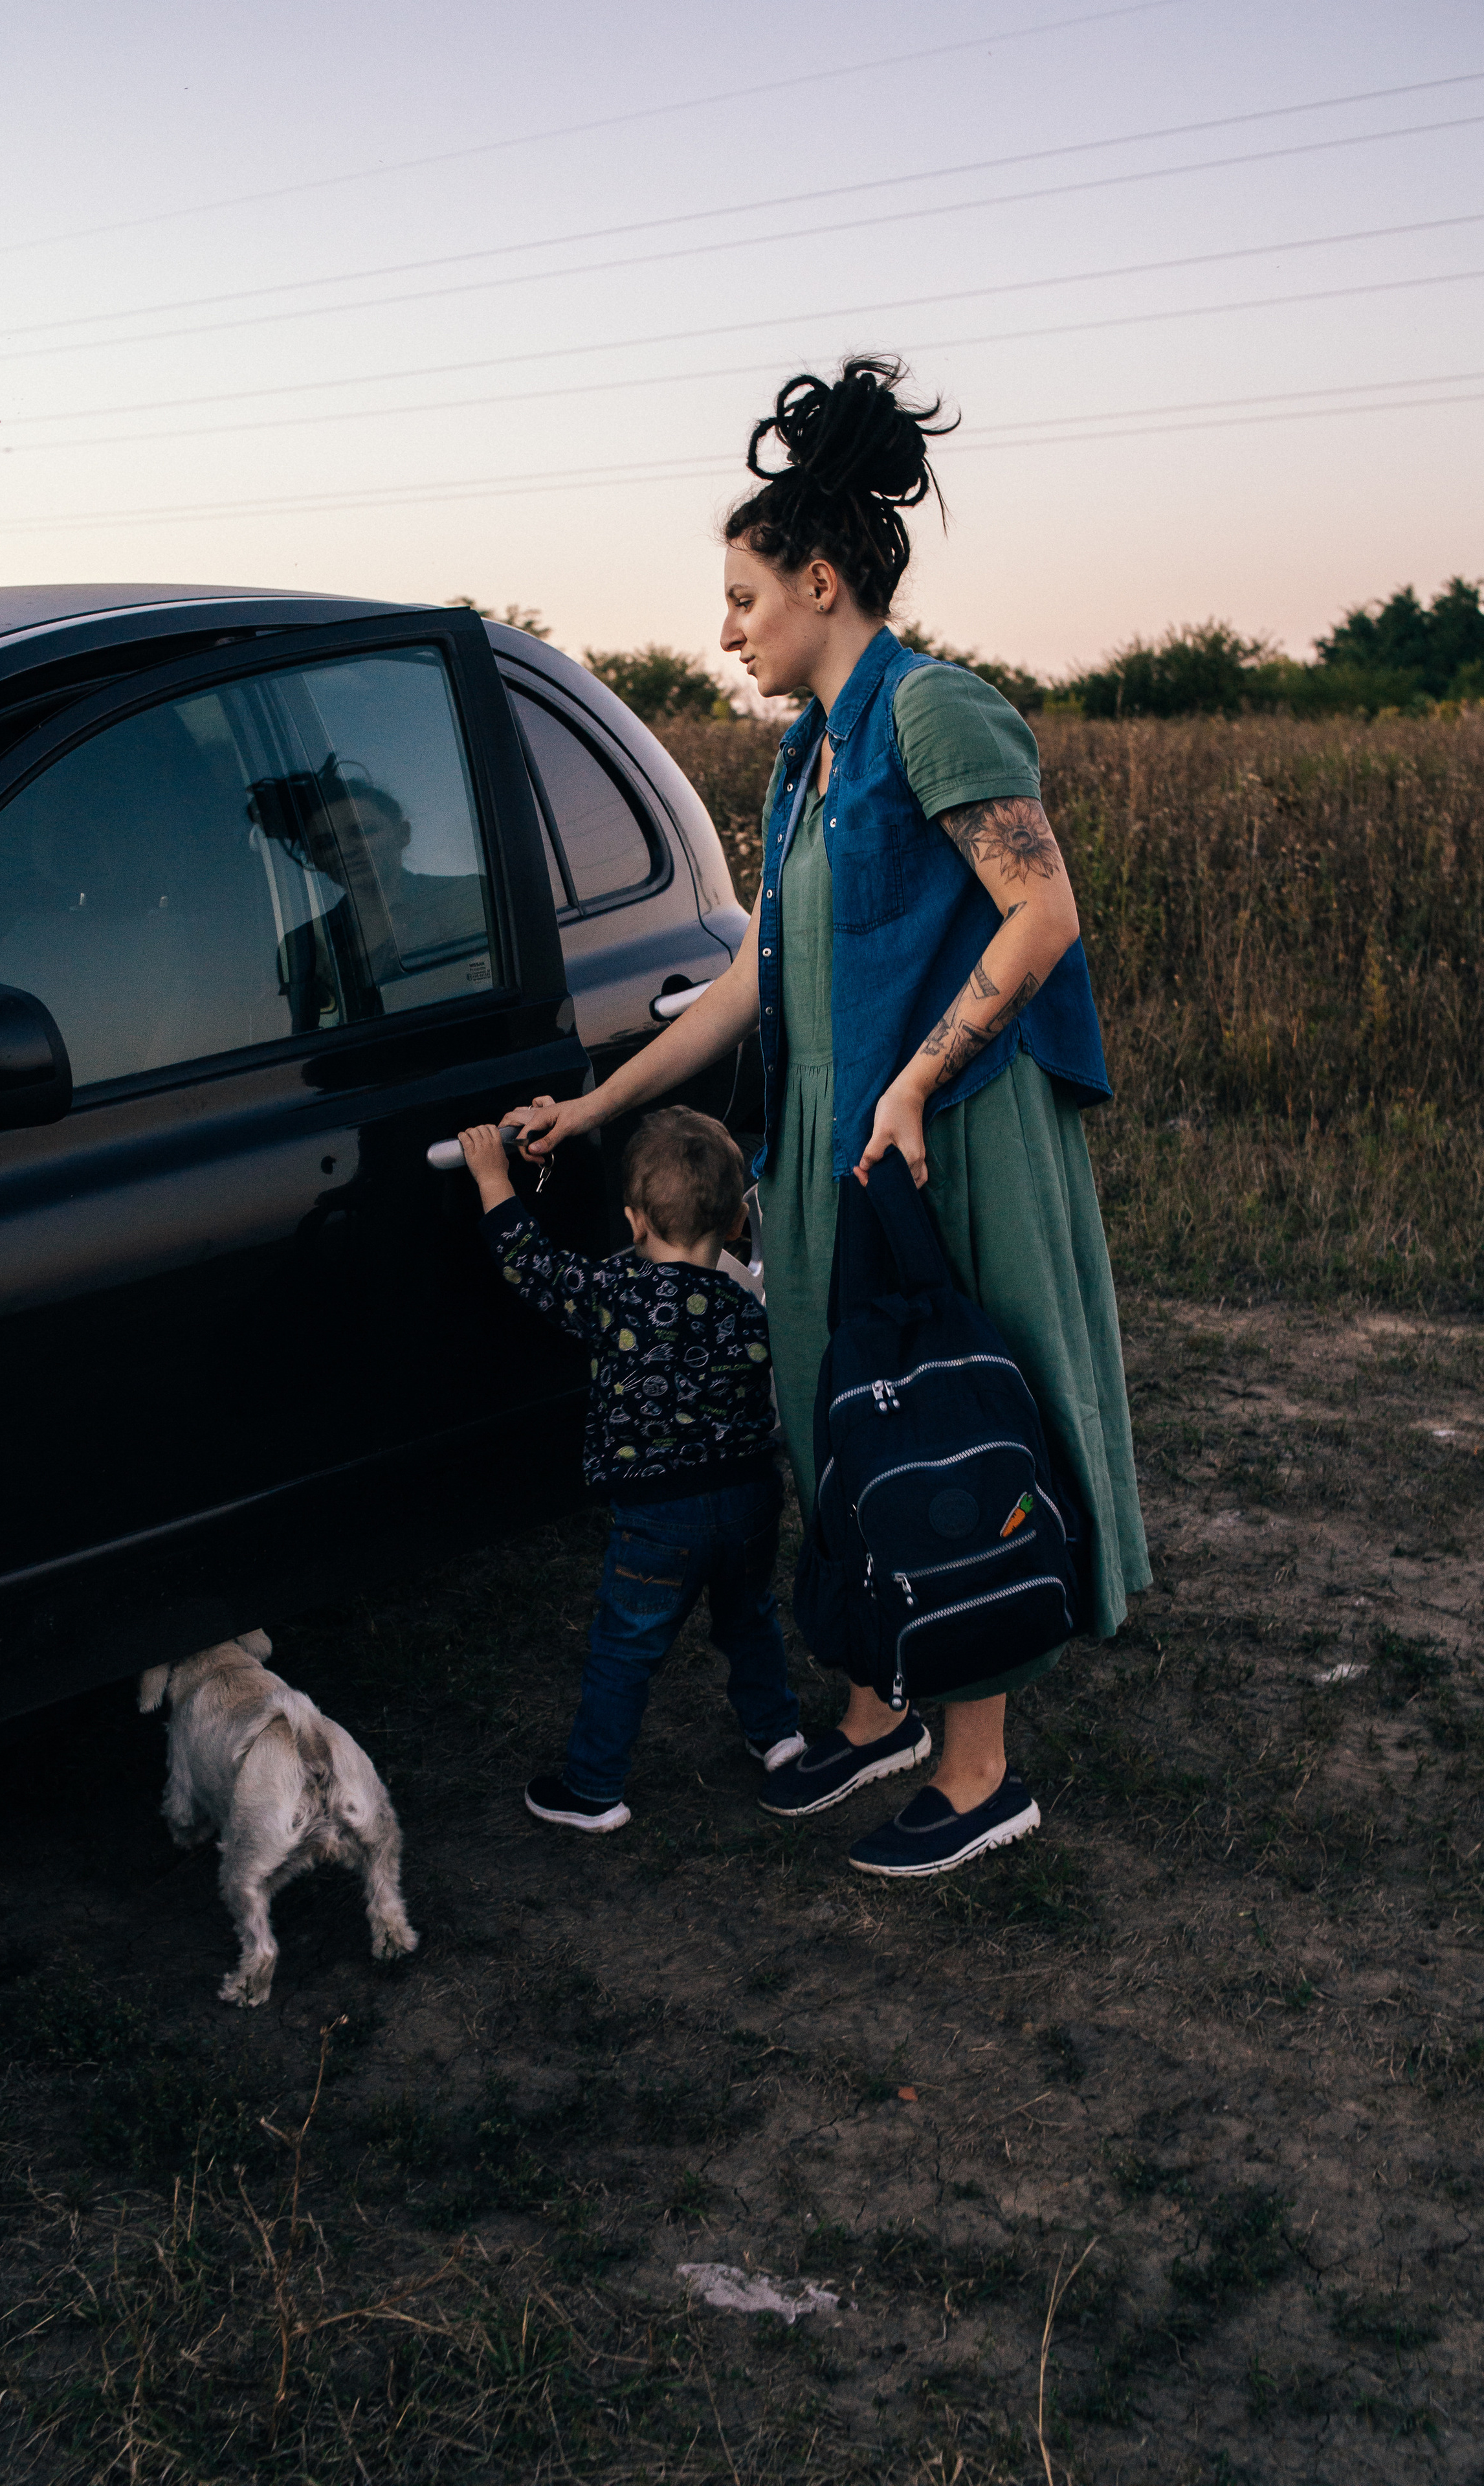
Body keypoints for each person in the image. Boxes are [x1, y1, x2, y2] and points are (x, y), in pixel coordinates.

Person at [505, 355, 1150, 1879]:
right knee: (839, 1430)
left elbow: (1040, 914)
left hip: (943, 1139)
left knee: (944, 1434)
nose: (725, 629)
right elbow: (755, 974)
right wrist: (594, 1105)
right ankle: (883, 1705)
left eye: (741, 598)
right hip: (827, 1148)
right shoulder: (807, 755)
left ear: (817, 580)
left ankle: (980, 1774)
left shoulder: (936, 711)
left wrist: (916, 1078)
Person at [458, 1106, 806, 1833]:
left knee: (625, 1647)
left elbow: (530, 1263)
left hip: (658, 1514)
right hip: (749, 1497)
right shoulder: (753, 1308)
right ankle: (779, 1736)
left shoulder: (614, 1294)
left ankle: (593, 1789)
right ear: (735, 1226)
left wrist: (492, 1176)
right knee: (749, 1619)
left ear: (635, 1222)